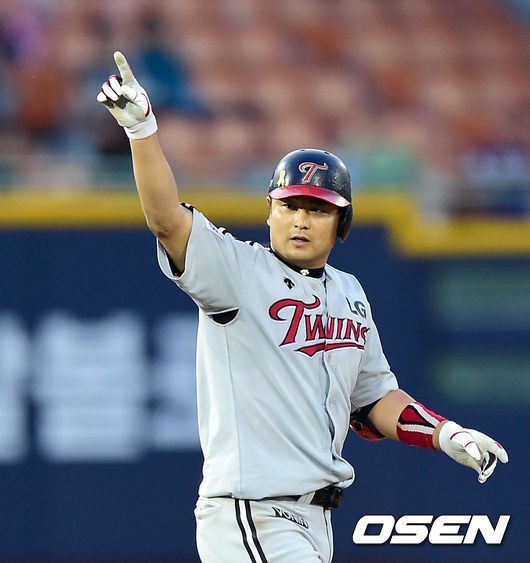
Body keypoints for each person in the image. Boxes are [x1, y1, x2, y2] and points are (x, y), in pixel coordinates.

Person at [97, 52, 508, 563]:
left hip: (316, 519)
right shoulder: (238, 273)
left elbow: (374, 401)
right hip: (252, 512)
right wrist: (142, 132)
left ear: (342, 224)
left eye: (317, 209)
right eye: (290, 205)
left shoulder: (350, 293)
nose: (301, 220)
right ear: (270, 210)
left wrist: (447, 435)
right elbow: (167, 220)